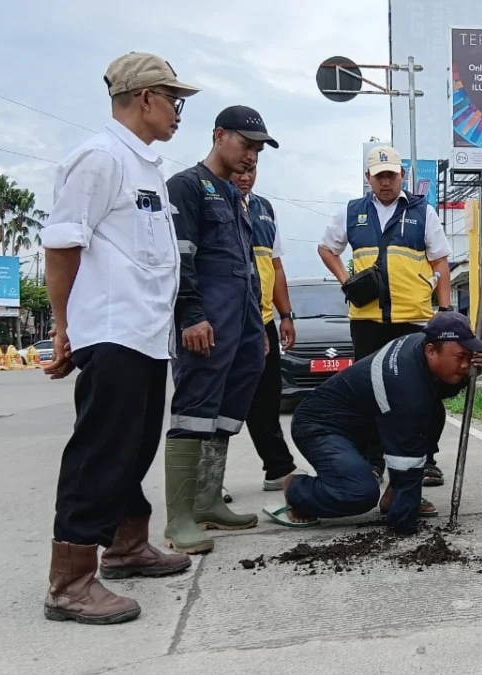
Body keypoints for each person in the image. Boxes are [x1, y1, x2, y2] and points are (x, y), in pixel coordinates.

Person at [40, 51, 200, 625]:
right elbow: (61, 245)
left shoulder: (145, 166)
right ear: (146, 99)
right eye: (175, 101)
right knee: (101, 450)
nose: (179, 112)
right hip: (111, 330)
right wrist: (63, 328)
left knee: (133, 447)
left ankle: (128, 546)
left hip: (145, 332)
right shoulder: (100, 158)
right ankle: (70, 581)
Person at [162, 105, 279, 554]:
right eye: (245, 145)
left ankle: (209, 501)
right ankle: (180, 519)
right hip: (206, 321)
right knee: (194, 409)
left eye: (257, 150)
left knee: (227, 410)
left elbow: (247, 265)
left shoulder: (234, 195)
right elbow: (180, 258)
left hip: (242, 323)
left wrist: (256, 331)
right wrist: (190, 314)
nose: (251, 156)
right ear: (218, 136)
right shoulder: (187, 186)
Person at [262, 312, 482, 533]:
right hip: (320, 426)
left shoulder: (424, 343)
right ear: (431, 351)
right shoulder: (404, 383)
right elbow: (407, 458)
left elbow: (436, 390)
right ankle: (297, 489)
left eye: (469, 357)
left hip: (365, 422)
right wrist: (404, 522)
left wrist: (465, 376)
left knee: (432, 411)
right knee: (359, 493)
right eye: (460, 358)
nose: (464, 365)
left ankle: (393, 496)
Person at [316, 145, 454, 488]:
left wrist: (446, 310)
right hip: (367, 322)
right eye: (379, 176)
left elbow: (440, 261)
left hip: (415, 320)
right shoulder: (353, 212)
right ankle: (374, 460)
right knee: (371, 395)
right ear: (368, 178)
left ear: (402, 175)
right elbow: (326, 248)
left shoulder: (423, 211)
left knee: (424, 394)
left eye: (392, 175)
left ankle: (425, 460)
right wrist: (346, 280)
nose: (386, 182)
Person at [233, 163, 300, 491]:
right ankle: (207, 482)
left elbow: (275, 266)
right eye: (240, 170)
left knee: (267, 399)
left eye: (252, 170)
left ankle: (277, 468)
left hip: (264, 321)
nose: (246, 177)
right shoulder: (210, 202)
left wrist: (285, 314)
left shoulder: (264, 209)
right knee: (219, 402)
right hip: (227, 323)